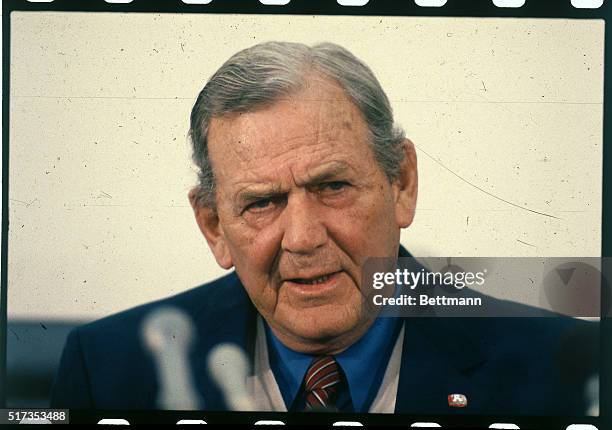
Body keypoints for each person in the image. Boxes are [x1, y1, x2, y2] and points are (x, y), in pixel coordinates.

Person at [50, 41, 595, 415]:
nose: (304, 238)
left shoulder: (564, 367)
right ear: (214, 225)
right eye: (262, 202)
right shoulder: (108, 371)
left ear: (401, 183)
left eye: (333, 187)